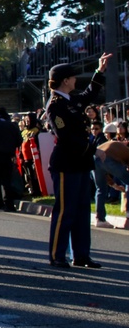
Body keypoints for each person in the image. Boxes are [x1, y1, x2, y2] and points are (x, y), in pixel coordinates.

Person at [45, 54, 110, 268]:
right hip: (66, 164)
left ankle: (81, 255)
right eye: (73, 77)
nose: (75, 80)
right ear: (65, 80)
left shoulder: (71, 100)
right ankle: (57, 254)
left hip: (80, 163)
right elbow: (66, 137)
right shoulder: (55, 105)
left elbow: (89, 94)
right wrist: (94, 149)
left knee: (82, 210)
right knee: (65, 210)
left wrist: (99, 71)